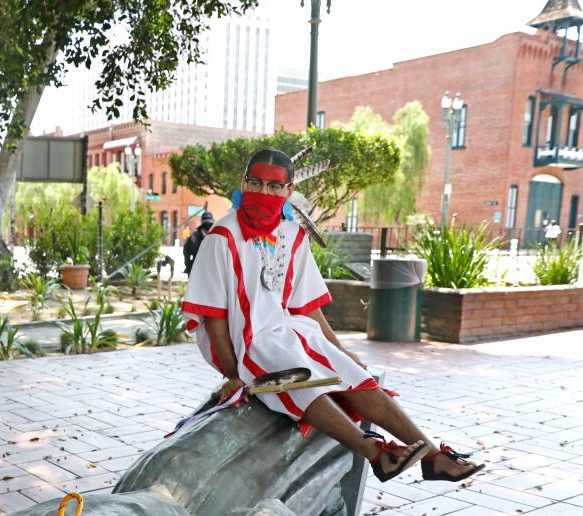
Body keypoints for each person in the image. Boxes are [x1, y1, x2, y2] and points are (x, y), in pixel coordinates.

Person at [181, 148, 482, 483]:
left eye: (274, 186)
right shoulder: (220, 238)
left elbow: (306, 306)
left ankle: (432, 455)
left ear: (289, 191)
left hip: (286, 330)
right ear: (243, 183)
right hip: (246, 342)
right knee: (300, 374)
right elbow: (214, 316)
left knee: (351, 373)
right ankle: (376, 454)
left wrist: (339, 350)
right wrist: (233, 373)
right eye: (256, 183)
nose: (264, 193)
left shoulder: (293, 236)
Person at [182, 210, 214, 275]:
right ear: (202, 223)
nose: (207, 224)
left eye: (209, 222)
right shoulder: (194, 237)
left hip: (212, 270)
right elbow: (186, 251)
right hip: (196, 269)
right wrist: (188, 265)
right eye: (206, 222)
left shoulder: (215, 237)